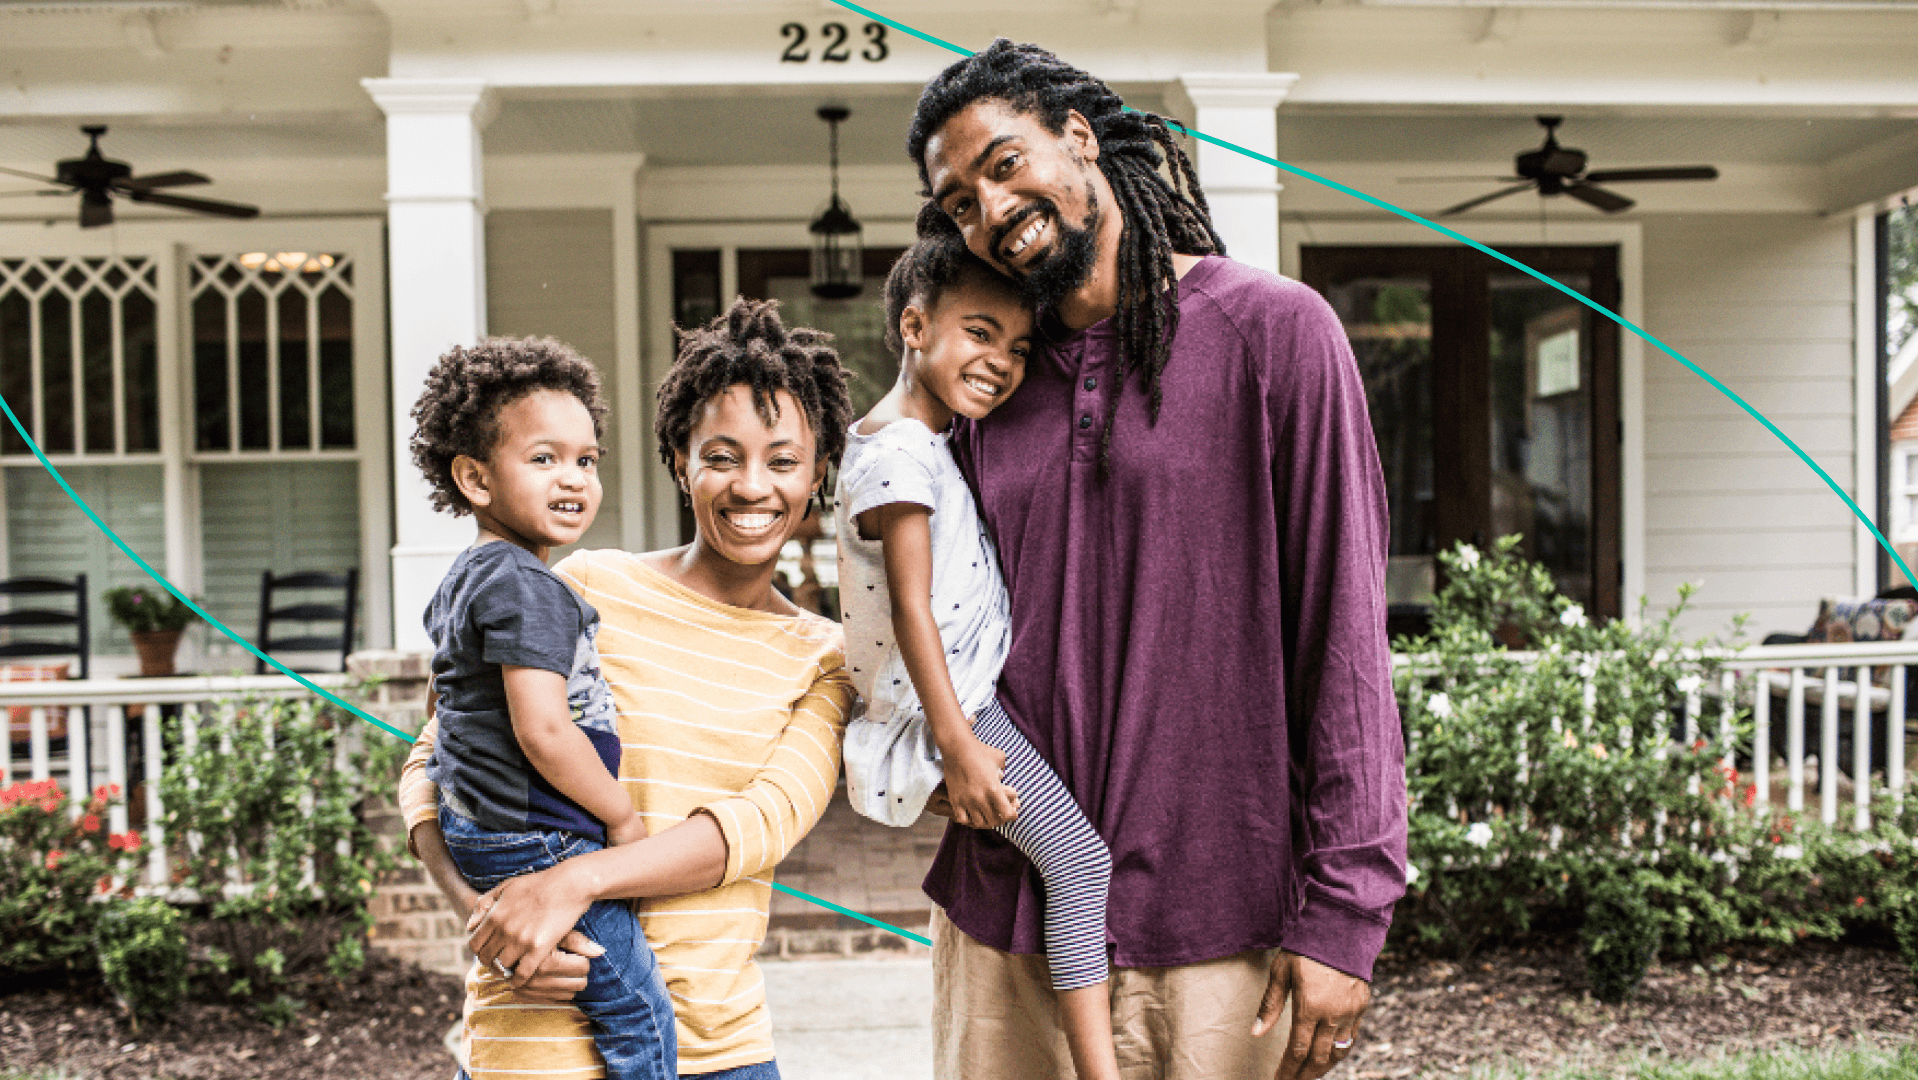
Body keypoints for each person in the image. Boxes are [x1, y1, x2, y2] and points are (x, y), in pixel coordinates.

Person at [905, 40, 1409, 1080]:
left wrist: (1348, 912)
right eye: (959, 204)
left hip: (1226, 929)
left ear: (1080, 139)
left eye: (1005, 165)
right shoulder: (985, 385)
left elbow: (1346, 639)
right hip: (1012, 917)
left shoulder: (1276, 333)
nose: (991, 209)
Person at [398, 297, 857, 1080]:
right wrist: (488, 919)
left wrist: (574, 882)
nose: (753, 487)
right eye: (721, 456)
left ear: (817, 475)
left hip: (720, 1049)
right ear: (681, 461)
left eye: (783, 461)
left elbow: (755, 828)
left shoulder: (825, 657)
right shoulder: (582, 586)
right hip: (534, 1036)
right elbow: (432, 759)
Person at [835, 229, 1119, 1080]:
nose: (1001, 360)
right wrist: (960, 744)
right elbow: (914, 609)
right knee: (1079, 861)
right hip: (955, 713)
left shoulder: (919, 441)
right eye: (980, 332)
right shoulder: (899, 457)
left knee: (1061, 863)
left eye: (1020, 346)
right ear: (915, 327)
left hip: (956, 704)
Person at [407, 336, 675, 1080]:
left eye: (586, 460)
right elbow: (545, 729)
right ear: (474, 478)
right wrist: (621, 819)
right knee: (638, 1012)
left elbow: (442, 700)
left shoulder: (469, 576)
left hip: (482, 827)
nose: (575, 478)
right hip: (542, 838)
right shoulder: (529, 588)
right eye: (544, 458)